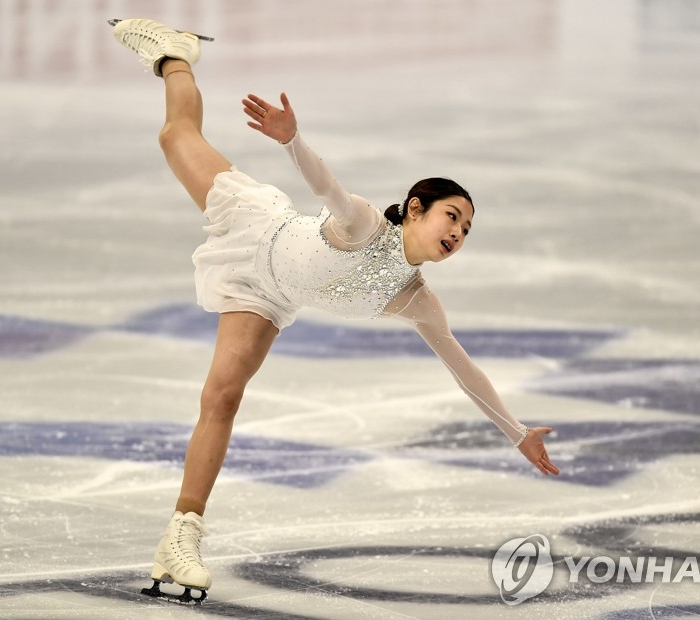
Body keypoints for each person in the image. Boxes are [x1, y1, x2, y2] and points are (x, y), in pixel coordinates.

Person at [108, 18, 560, 602]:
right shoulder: (366, 224)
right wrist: (292, 140)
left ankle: (180, 537)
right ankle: (175, 55)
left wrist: (516, 431)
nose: (459, 233)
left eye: (467, 229)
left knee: (221, 395)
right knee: (175, 136)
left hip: (265, 296)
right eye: (453, 216)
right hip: (255, 227)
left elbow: (463, 369)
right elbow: (329, 188)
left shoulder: (416, 299)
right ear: (417, 209)